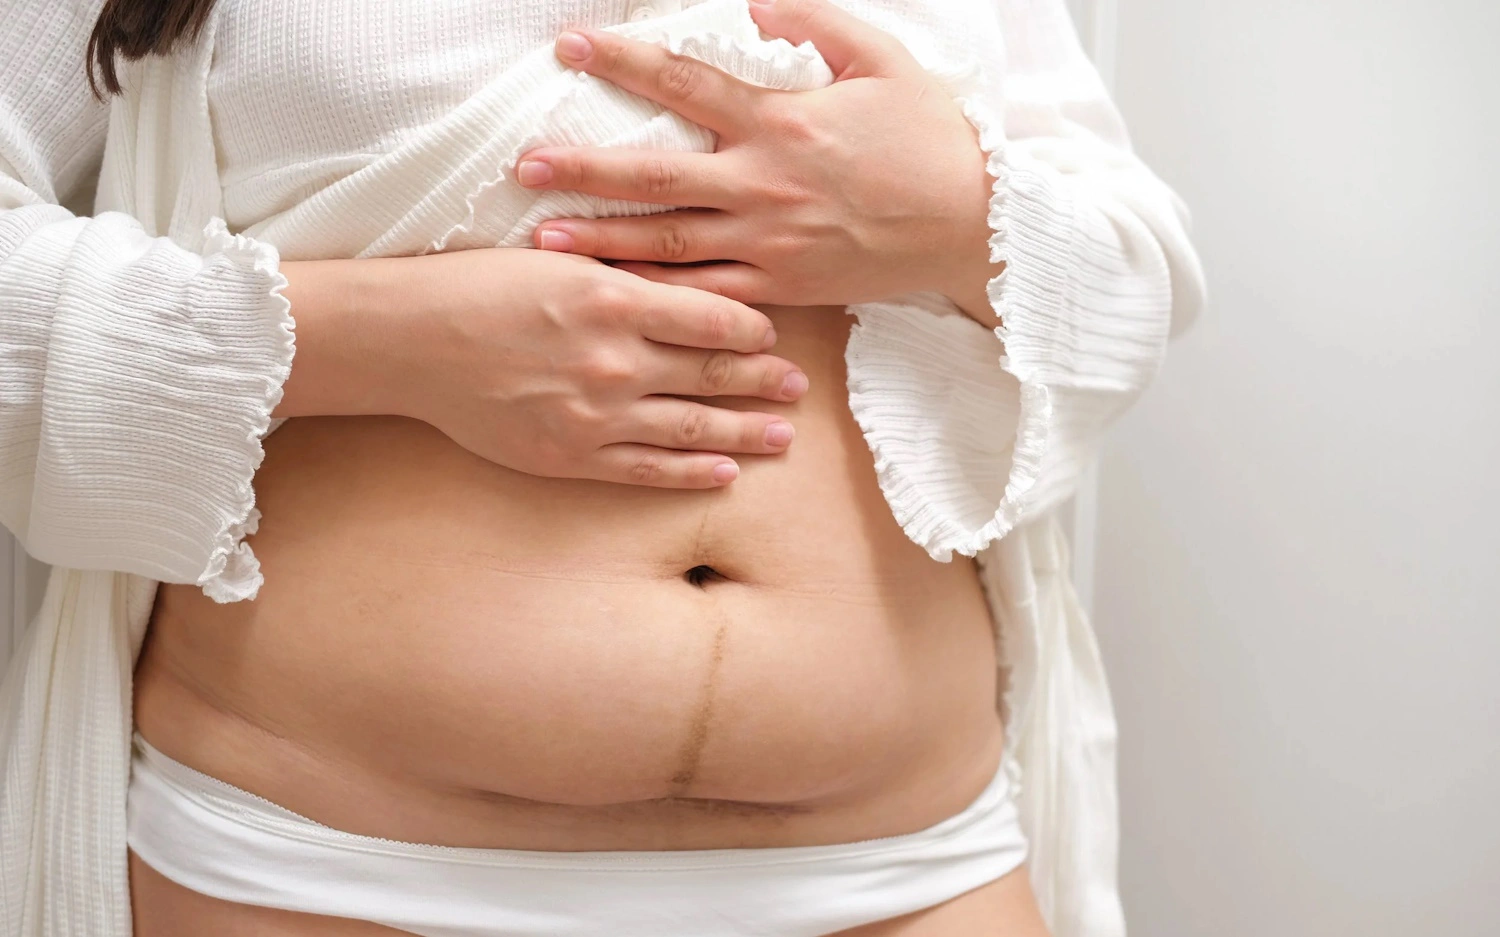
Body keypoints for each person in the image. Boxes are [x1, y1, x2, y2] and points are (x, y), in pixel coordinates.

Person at [0, 0, 1205, 935]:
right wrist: (388, 342)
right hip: (323, 867)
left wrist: (957, 214)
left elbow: (1135, 266)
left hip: (910, 867)